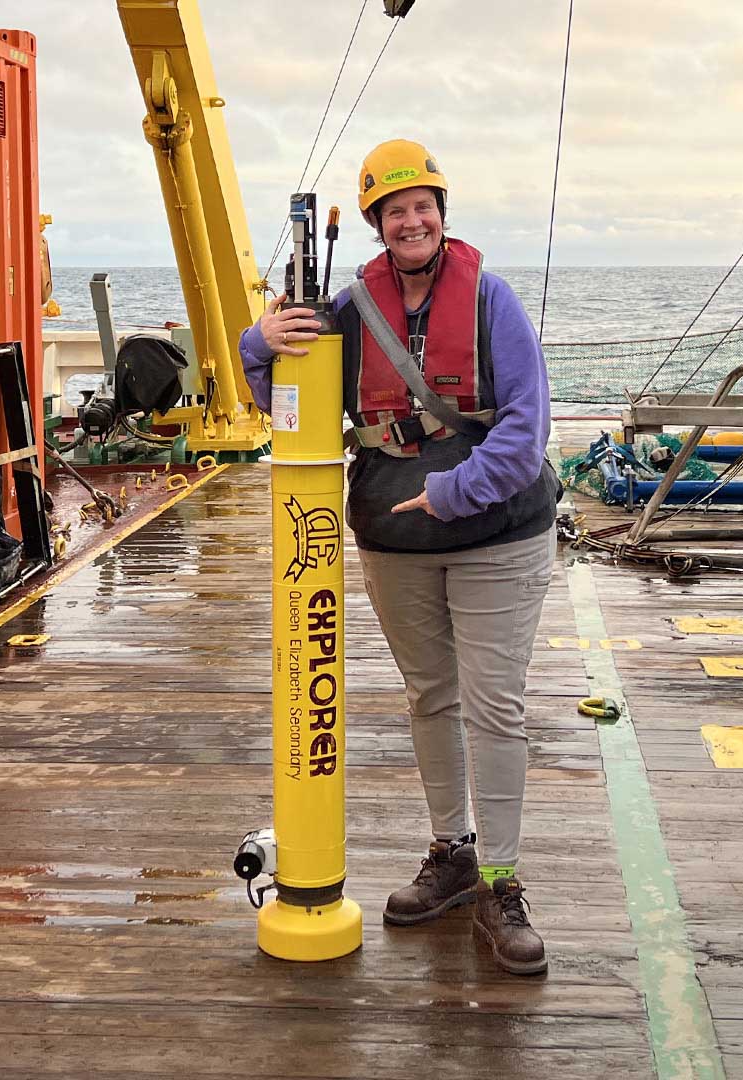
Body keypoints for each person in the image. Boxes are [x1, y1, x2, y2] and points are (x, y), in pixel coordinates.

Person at [239, 140, 559, 976]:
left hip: (499, 535)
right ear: (376, 225)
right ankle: (452, 853)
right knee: (430, 697)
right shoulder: (351, 307)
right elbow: (284, 399)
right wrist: (257, 341)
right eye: (394, 209)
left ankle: (500, 880)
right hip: (397, 543)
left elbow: (526, 432)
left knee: (495, 708)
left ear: (442, 215)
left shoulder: (492, 302)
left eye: (424, 205)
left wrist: (455, 490)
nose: (411, 220)